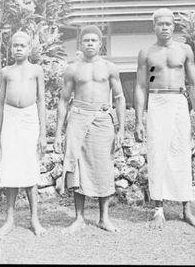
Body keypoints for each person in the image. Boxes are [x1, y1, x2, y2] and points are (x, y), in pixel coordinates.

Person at [135, 8, 195, 230]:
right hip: (156, 102)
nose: (165, 27)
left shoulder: (184, 50)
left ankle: (186, 209)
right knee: (157, 153)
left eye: (168, 24)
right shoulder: (147, 53)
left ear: (174, 26)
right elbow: (142, 85)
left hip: (178, 102)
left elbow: (193, 83)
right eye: (160, 24)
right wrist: (138, 119)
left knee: (181, 152)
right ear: (153, 26)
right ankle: (158, 209)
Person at [55, 25, 126, 233]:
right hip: (78, 118)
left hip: (103, 119)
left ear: (100, 43)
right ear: (80, 44)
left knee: (104, 167)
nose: (90, 44)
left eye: (94, 40)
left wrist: (121, 129)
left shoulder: (110, 67)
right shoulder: (73, 68)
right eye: (86, 41)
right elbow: (63, 100)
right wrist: (59, 132)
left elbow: (120, 98)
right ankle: (79, 218)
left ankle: (104, 217)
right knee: (78, 168)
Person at [0, 31, 47, 236]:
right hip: (10, 118)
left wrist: (43, 133)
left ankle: (35, 219)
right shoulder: (5, 72)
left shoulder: (36, 70)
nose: (18, 49)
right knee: (10, 167)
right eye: (15, 45)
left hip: (30, 118)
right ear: (11, 48)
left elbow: (41, 101)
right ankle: (9, 219)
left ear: (29, 48)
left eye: (22, 46)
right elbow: (0, 104)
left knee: (30, 166)